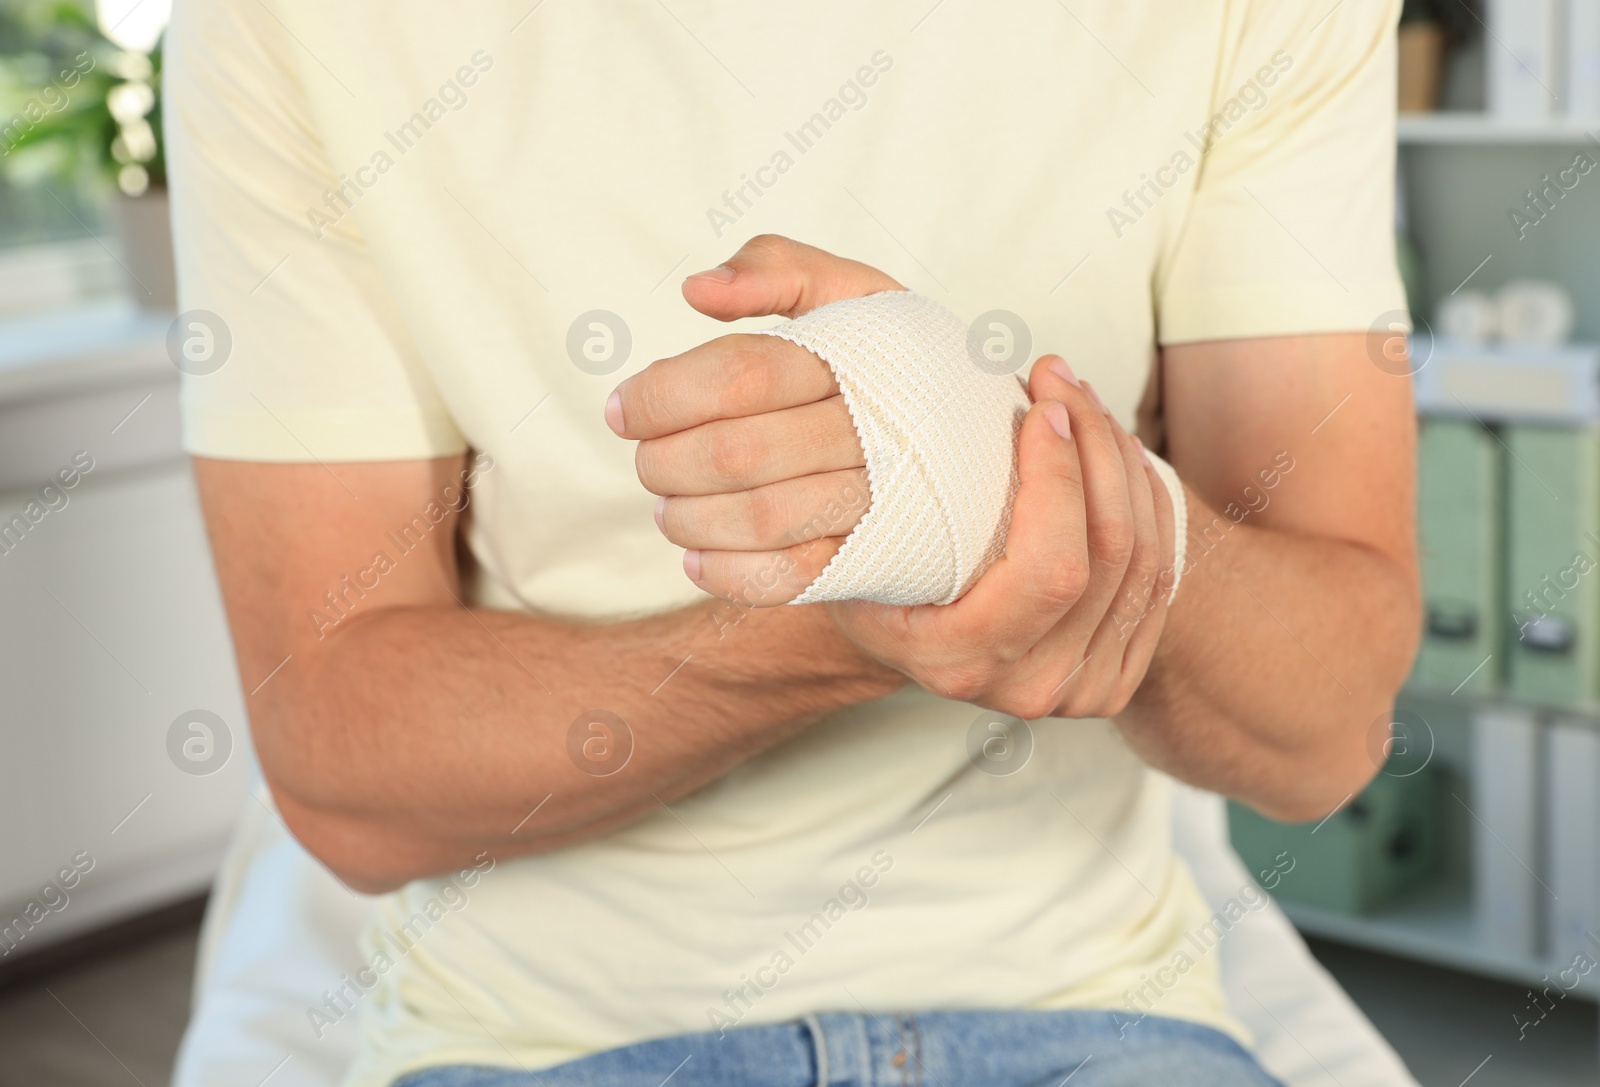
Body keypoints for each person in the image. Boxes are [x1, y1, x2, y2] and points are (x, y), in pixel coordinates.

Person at [166, 2, 1419, 1085]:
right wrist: (863, 610)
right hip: (546, 1041)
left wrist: (992, 492)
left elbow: (1328, 727)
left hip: (1085, 1015)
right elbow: (336, 765)